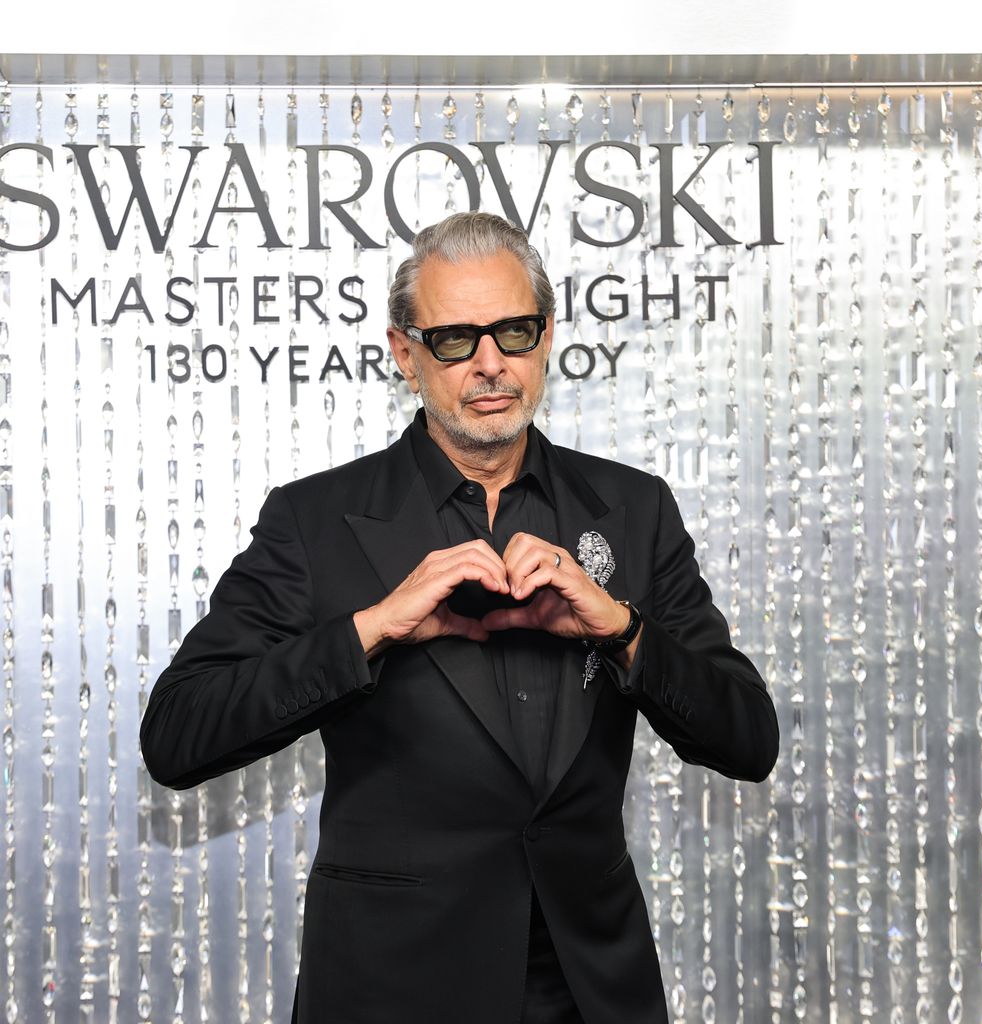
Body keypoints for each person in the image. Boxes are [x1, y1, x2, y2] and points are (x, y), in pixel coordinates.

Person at [140, 211, 779, 1024]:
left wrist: (622, 631)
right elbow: (178, 734)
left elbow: (749, 738)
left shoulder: (633, 508)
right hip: (392, 985)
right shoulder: (316, 520)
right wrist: (372, 630)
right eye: (454, 340)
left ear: (546, 337)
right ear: (405, 353)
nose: (489, 365)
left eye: (513, 332)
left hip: (589, 986)